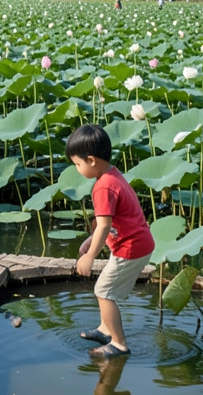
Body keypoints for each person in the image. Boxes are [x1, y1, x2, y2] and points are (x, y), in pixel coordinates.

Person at [69, 124, 154, 358]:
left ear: (91, 160)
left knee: (104, 291)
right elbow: (111, 222)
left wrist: (89, 257)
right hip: (136, 243)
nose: (77, 169)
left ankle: (118, 343)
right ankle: (105, 329)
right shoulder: (113, 175)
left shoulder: (103, 186)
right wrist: (91, 240)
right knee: (106, 289)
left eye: (77, 164)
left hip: (131, 248)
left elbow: (105, 224)